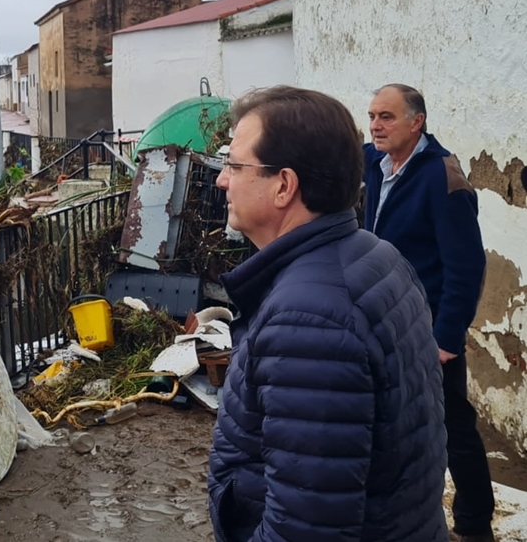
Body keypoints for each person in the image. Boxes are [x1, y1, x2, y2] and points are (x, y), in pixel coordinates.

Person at [208, 86, 448, 541]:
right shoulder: (375, 256)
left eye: (236, 165)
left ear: (284, 185)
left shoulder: (309, 319)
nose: (223, 179)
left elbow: (306, 528)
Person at [364, 83, 494, 541]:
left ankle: (476, 526)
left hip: (426, 327)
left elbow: (466, 265)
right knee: (390, 422)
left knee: (453, 428)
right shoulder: (372, 162)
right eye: (373, 116)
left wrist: (446, 338)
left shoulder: (443, 175)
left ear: (416, 121)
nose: (376, 125)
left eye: (387, 117)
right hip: (382, 321)